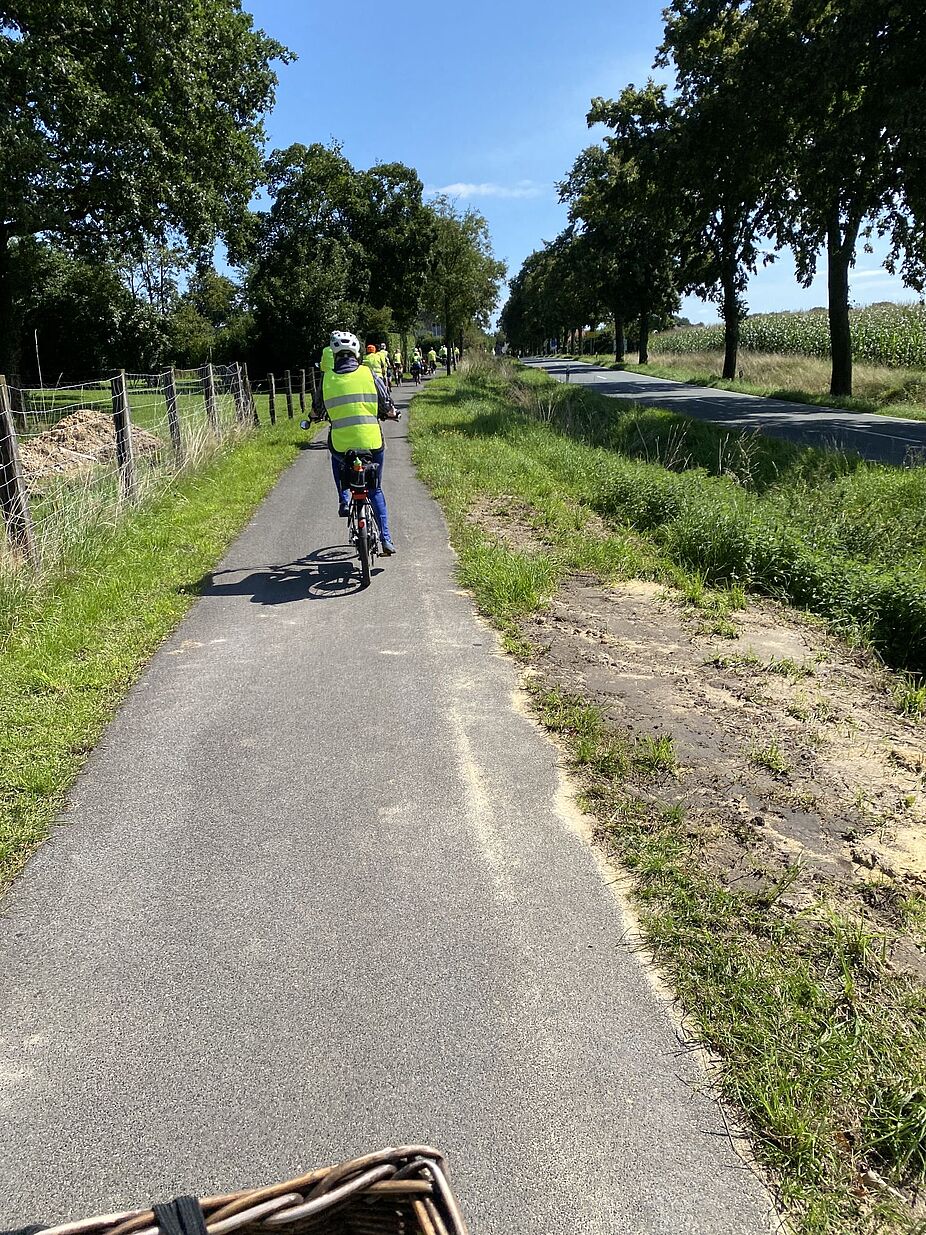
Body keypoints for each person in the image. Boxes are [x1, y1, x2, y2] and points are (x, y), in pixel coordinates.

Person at [314, 331, 397, 555]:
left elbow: (317, 409)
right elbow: (386, 402)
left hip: (342, 445)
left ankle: (344, 497)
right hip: (372, 442)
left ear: (334, 353)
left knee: (335, 457)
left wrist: (313, 417)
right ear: (357, 352)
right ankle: (386, 539)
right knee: (375, 489)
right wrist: (391, 413)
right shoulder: (369, 374)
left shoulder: (327, 378)